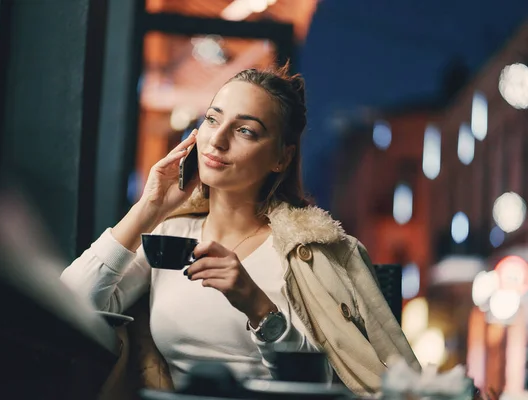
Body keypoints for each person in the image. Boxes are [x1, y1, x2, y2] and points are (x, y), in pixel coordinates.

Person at [61, 63, 420, 397]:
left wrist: (258, 306)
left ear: (282, 158)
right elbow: (69, 306)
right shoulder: (170, 236)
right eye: (213, 120)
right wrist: (147, 209)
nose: (217, 140)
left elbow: (319, 383)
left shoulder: (312, 253)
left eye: (245, 130)